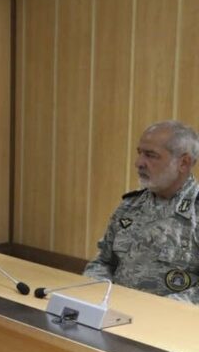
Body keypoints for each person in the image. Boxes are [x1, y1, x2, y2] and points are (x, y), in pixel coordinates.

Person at [84, 120, 199, 304]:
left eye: (151, 155)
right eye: (140, 153)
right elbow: (103, 262)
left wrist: (158, 309)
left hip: (168, 318)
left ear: (183, 163)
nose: (138, 163)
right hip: (115, 311)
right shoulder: (130, 205)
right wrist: (97, 294)